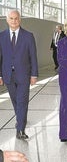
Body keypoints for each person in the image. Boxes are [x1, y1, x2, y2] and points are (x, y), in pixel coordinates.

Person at [0, 10, 38, 140]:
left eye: (16, 18)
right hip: (8, 75)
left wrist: (34, 75)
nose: (14, 21)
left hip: (24, 75)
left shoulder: (28, 36)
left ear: (20, 19)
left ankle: (20, 129)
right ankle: (20, 120)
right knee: (15, 101)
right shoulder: (1, 36)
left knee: (22, 102)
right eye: (11, 18)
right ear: (7, 19)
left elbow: (33, 56)